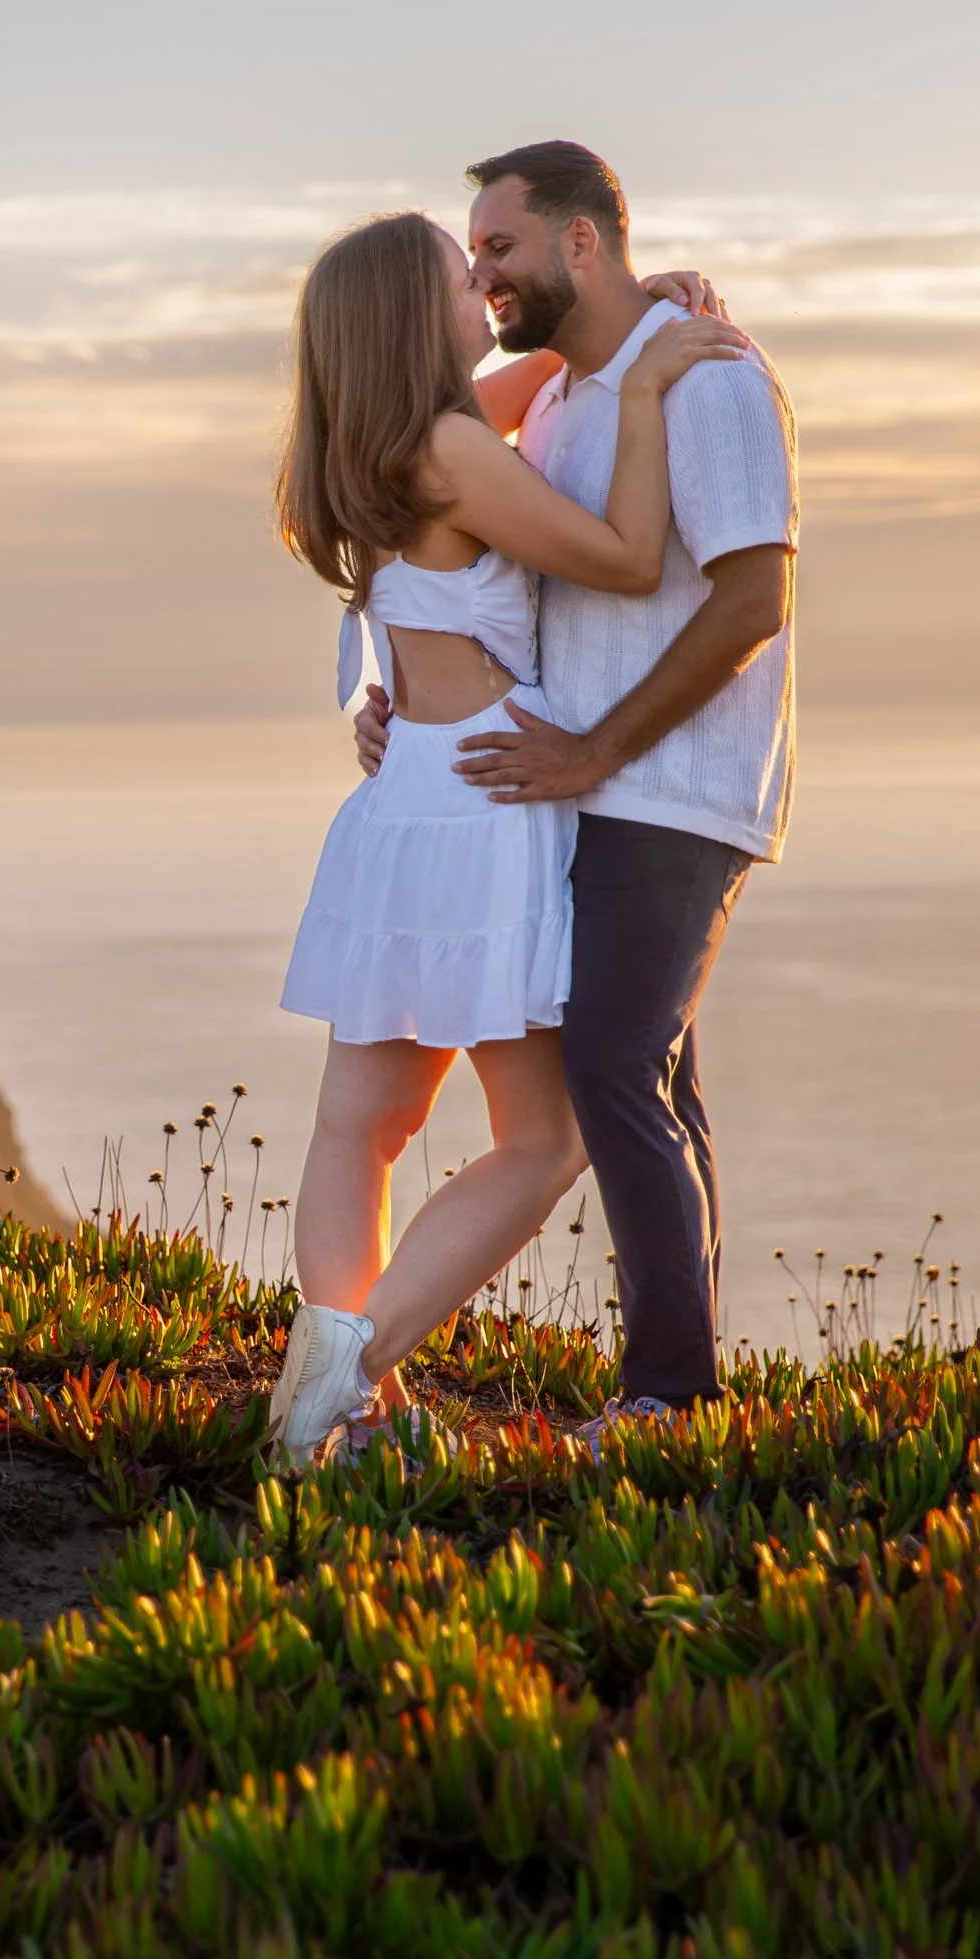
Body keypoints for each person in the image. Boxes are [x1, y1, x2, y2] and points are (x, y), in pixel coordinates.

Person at [266, 207, 748, 1464]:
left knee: (354, 1130)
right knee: (545, 1139)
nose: (480, 295)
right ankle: (343, 1380)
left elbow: (524, 372)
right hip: (485, 806)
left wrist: (628, 315)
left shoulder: (357, 452)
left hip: (400, 803)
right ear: (409, 318)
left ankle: (332, 1394)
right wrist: (642, 384)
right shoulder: (456, 450)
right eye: (454, 277)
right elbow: (629, 560)